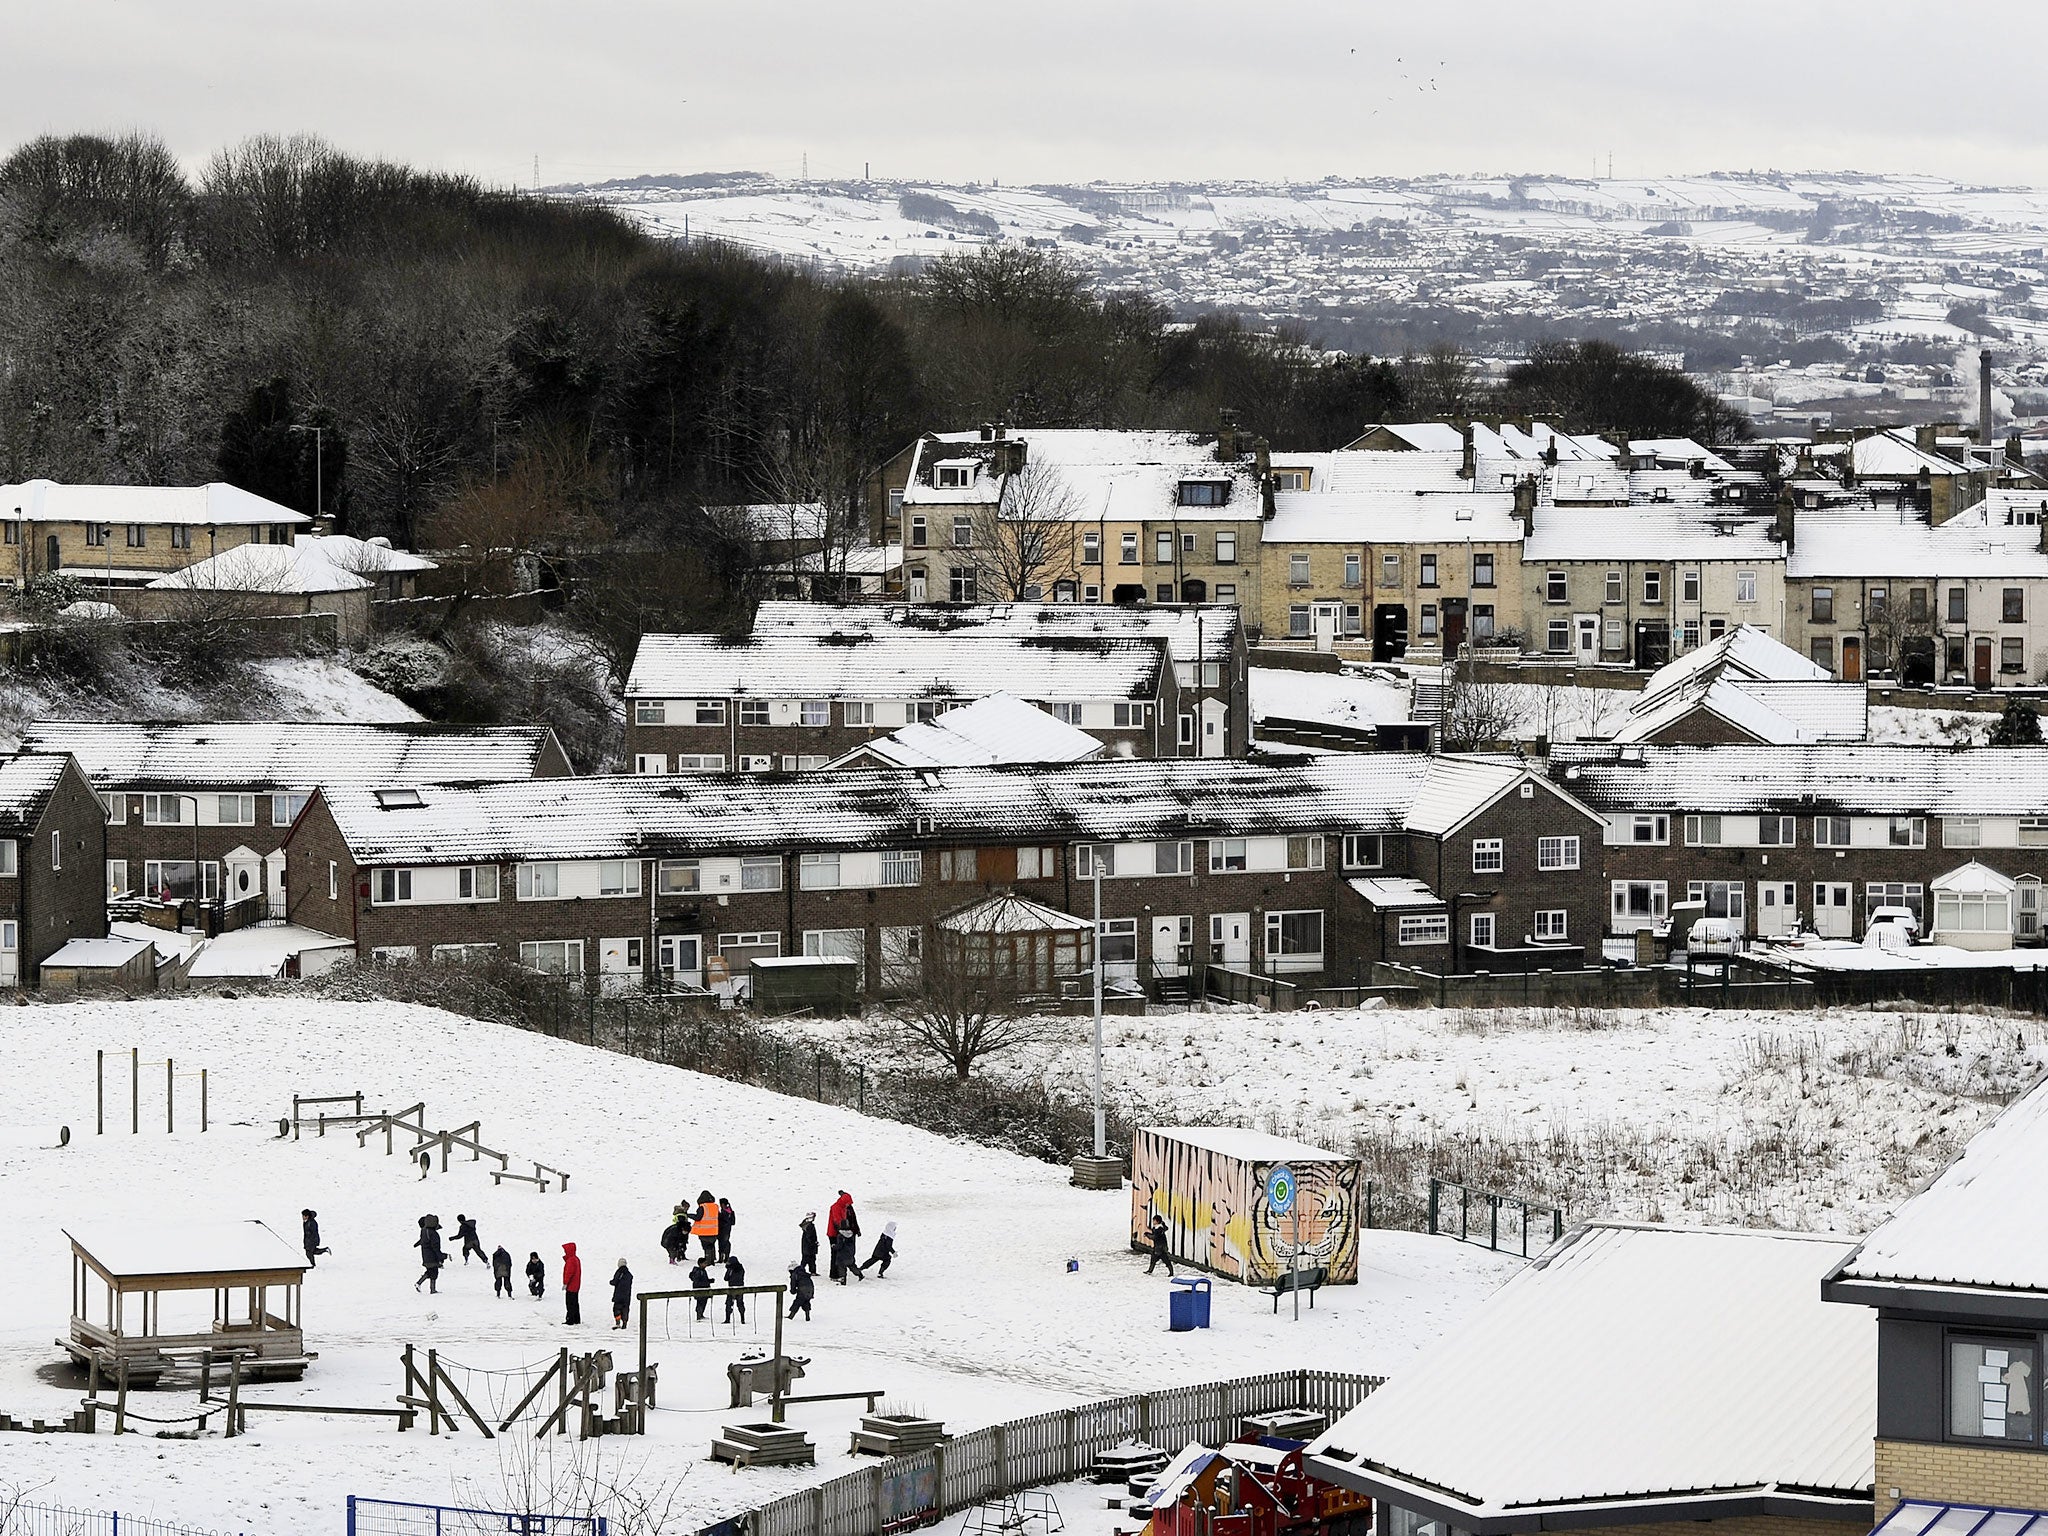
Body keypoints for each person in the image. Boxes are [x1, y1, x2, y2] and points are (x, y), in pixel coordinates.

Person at [414, 1216, 446, 1293]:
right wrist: (442, 1257)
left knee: (430, 1271)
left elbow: (422, 1241)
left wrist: (416, 1244)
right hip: (432, 1256)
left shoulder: (424, 1231)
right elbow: (436, 1248)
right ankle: (432, 1289)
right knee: (433, 1273)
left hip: (426, 1255)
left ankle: (420, 1283)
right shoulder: (434, 1234)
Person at [691, 1190, 720, 1261]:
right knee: (711, 1245)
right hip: (714, 1231)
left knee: (706, 1246)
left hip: (704, 1231)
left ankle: (708, 1260)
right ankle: (712, 1258)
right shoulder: (715, 1206)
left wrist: (689, 1215)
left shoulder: (702, 1207)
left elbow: (698, 1217)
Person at [561, 1242, 583, 1325]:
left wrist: (565, 1283)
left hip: (571, 1285)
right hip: (576, 1285)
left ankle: (570, 1320)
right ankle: (576, 1319)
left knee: (570, 1303)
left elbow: (568, 1273)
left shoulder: (570, 1260)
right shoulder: (576, 1259)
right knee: (575, 1303)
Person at [610, 1257, 634, 1331]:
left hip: (618, 1295)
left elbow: (615, 1281)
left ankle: (617, 1322)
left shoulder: (619, 1272)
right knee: (625, 1309)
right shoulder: (629, 1274)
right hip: (627, 1295)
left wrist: (611, 1282)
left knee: (617, 1308)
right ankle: (624, 1323)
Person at [722, 1254, 748, 1322]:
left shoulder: (731, 1269)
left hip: (733, 1288)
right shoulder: (740, 1269)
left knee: (730, 1303)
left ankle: (728, 1319)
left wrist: (728, 1270)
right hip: (739, 1288)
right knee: (739, 1304)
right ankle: (742, 1319)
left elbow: (726, 1278)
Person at [716, 1197, 737, 1263]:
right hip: (727, 1230)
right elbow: (733, 1222)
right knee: (726, 1242)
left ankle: (721, 1258)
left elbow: (721, 1221)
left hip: (722, 1230)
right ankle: (726, 1257)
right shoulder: (731, 1211)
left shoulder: (723, 1212)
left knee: (722, 1243)